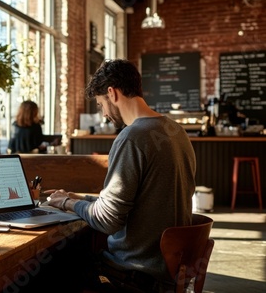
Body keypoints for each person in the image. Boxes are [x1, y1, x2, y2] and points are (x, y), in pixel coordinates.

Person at [46, 59, 196, 292]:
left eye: (100, 104)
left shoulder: (132, 137)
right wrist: (81, 201)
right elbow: (145, 203)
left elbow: (107, 221)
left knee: (48, 266)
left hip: (134, 275)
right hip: (169, 272)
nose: (104, 114)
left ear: (112, 93)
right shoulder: (175, 130)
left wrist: (66, 203)